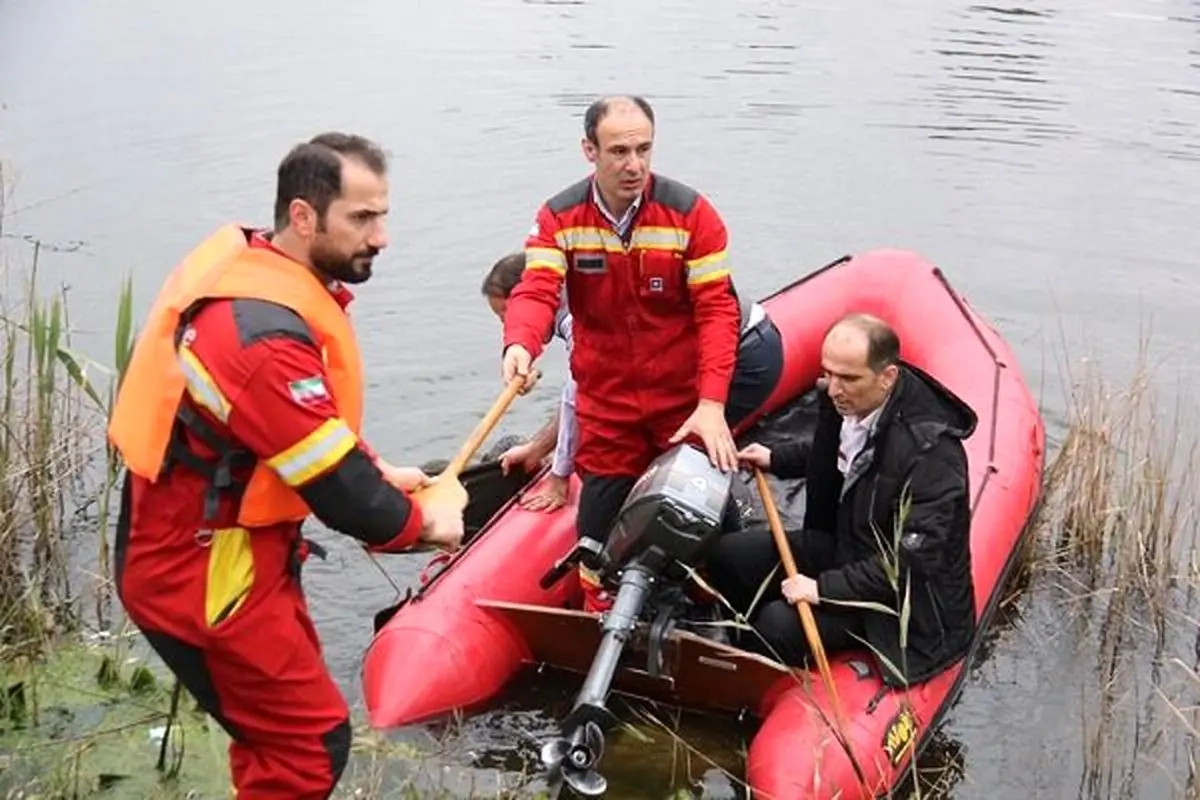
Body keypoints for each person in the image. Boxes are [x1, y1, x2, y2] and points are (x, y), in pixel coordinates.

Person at [106, 132, 467, 799]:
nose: (382, 236)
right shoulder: (261, 337)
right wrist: (423, 521)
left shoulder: (258, 276)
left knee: (284, 739)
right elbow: (339, 493)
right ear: (303, 217)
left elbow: (282, 433)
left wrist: (377, 469)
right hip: (203, 570)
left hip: (222, 550)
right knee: (306, 748)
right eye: (363, 218)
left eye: (383, 214)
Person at [499, 94, 782, 612]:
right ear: (590, 150)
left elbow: (716, 312)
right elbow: (537, 290)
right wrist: (520, 342)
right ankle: (601, 613)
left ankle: (711, 609)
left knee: (699, 523)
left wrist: (712, 403)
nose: (634, 165)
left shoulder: (691, 215)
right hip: (608, 407)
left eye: (644, 150)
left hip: (681, 400)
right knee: (596, 536)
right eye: (619, 152)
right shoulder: (558, 218)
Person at [705, 313, 978, 688]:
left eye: (848, 378)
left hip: (903, 605)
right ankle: (745, 645)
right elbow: (837, 453)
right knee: (730, 556)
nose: (833, 389)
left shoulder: (932, 454)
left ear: (888, 377)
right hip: (850, 548)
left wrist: (822, 590)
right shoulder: (846, 404)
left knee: (778, 623)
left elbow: (910, 563)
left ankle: (763, 686)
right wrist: (778, 458)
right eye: (828, 373)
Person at [482, 251, 784, 514]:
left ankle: (727, 513)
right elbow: (582, 393)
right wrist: (537, 448)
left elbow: (578, 397)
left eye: (508, 315)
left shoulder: (581, 316)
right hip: (718, 350)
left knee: (674, 453)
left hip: (745, 356)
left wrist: (559, 477)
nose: (509, 327)